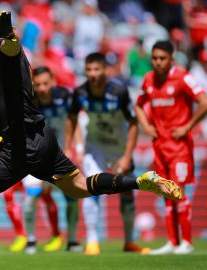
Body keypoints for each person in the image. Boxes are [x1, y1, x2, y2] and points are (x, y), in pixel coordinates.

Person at [0, 8, 182, 270]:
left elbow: (11, 48)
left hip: (23, 148)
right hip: (40, 139)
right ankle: (140, 181)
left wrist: (10, 37)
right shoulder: (0, 57)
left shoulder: (3, 50)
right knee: (78, 187)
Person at [65, 53, 149, 255]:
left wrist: (128, 155)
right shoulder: (80, 92)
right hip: (95, 147)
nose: (93, 74)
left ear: (105, 70)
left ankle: (129, 241)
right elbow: (72, 119)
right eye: (89, 70)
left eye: (97, 69)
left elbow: (133, 123)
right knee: (90, 188)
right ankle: (92, 240)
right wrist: (70, 147)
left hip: (119, 147)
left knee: (126, 191)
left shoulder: (119, 91)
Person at [134, 40, 207, 255]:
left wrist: (187, 126)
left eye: (162, 58)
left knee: (178, 193)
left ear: (171, 59)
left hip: (179, 147)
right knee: (166, 193)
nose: (158, 62)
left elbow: (206, 103)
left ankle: (187, 241)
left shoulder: (183, 77)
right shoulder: (149, 79)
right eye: (155, 58)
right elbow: (138, 105)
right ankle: (173, 242)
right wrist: (146, 126)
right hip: (160, 146)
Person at [21, 66, 82, 255]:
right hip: (36, 158)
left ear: (53, 81)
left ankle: (72, 240)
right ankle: (30, 240)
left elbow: (74, 120)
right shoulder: (29, 101)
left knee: (71, 197)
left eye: (45, 83)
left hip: (61, 156)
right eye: (37, 84)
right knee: (31, 197)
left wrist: (75, 147)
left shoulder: (65, 96)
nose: (41, 88)